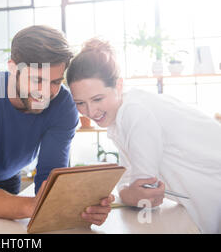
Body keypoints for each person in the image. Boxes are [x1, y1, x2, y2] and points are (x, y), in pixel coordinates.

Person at [0, 26, 114, 234]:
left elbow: (49, 177)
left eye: (56, 82)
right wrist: (34, 206)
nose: (46, 93)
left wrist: (76, 206)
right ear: (13, 68)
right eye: (37, 80)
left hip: (9, 173)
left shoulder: (64, 106)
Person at [66, 38, 221, 234]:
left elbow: (147, 195)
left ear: (119, 85)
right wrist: (128, 192)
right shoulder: (122, 117)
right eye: (80, 103)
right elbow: (130, 182)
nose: (90, 111)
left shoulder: (135, 113)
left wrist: (130, 193)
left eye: (97, 99)